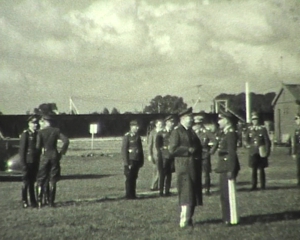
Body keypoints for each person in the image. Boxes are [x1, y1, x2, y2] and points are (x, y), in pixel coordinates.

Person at [168, 107, 202, 228]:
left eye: (191, 117)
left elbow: (198, 146)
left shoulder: (191, 132)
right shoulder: (177, 132)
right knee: (186, 193)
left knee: (193, 193)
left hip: (193, 166)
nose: (191, 119)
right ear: (183, 119)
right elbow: (172, 149)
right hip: (184, 167)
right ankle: (184, 220)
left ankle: (189, 219)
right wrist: (187, 150)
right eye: (189, 117)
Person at [36, 115, 69, 208]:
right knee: (53, 179)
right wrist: (61, 152)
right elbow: (66, 141)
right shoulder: (56, 131)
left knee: (41, 179)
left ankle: (39, 201)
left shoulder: (40, 132)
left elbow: (38, 146)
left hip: (45, 155)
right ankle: (51, 202)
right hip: (54, 155)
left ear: (44, 121)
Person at [214, 111, 240, 225]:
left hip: (228, 166)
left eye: (221, 119)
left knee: (229, 194)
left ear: (227, 121)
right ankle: (226, 217)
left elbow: (231, 152)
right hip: (223, 166)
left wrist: (231, 169)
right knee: (224, 194)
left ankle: (232, 218)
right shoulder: (224, 133)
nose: (218, 122)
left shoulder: (230, 134)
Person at [244, 112, 271, 191]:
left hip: (261, 151)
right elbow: (245, 140)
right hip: (253, 151)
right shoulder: (249, 129)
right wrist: (248, 145)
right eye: (253, 119)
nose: (255, 121)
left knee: (261, 169)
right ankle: (254, 185)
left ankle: (262, 185)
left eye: (256, 119)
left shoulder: (262, 129)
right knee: (253, 169)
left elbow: (267, 141)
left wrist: (267, 151)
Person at [192, 112, 216, 196]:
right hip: (195, 155)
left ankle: (207, 189)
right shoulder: (192, 132)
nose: (198, 125)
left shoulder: (206, 132)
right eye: (196, 123)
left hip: (205, 154)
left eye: (199, 123)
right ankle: (197, 189)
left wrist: (211, 151)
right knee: (195, 173)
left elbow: (215, 141)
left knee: (206, 173)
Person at [19, 115, 40, 208]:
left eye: (36, 123)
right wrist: (23, 163)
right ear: (29, 124)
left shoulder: (37, 134)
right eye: (33, 123)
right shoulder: (26, 134)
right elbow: (22, 150)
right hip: (27, 161)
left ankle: (33, 201)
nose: (35, 125)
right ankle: (24, 200)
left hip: (35, 161)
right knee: (25, 182)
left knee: (32, 182)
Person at [121, 120, 144, 199]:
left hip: (136, 159)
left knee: (134, 177)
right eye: (136, 126)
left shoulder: (137, 136)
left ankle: (133, 194)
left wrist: (141, 160)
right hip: (130, 159)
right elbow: (124, 150)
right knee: (129, 178)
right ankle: (128, 194)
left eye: (138, 126)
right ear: (132, 127)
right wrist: (126, 163)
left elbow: (140, 149)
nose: (137, 128)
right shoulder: (127, 136)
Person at [156, 115, 175, 197]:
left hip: (171, 155)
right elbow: (158, 145)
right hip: (163, 156)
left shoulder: (174, 132)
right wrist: (162, 151)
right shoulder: (161, 133)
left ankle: (167, 191)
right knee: (162, 174)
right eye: (171, 122)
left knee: (169, 173)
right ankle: (161, 191)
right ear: (167, 122)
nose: (172, 123)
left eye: (173, 122)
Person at [148, 119, 164, 191]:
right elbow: (150, 144)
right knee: (156, 170)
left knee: (160, 170)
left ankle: (158, 185)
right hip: (155, 154)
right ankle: (154, 185)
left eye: (161, 123)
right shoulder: (152, 133)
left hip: (162, 154)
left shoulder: (163, 132)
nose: (160, 125)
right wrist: (149, 154)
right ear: (156, 124)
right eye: (159, 123)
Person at [291, 112, 300, 188]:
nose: (296, 121)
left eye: (297, 119)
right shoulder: (297, 131)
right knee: (299, 168)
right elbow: (294, 142)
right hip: (298, 152)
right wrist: (293, 152)